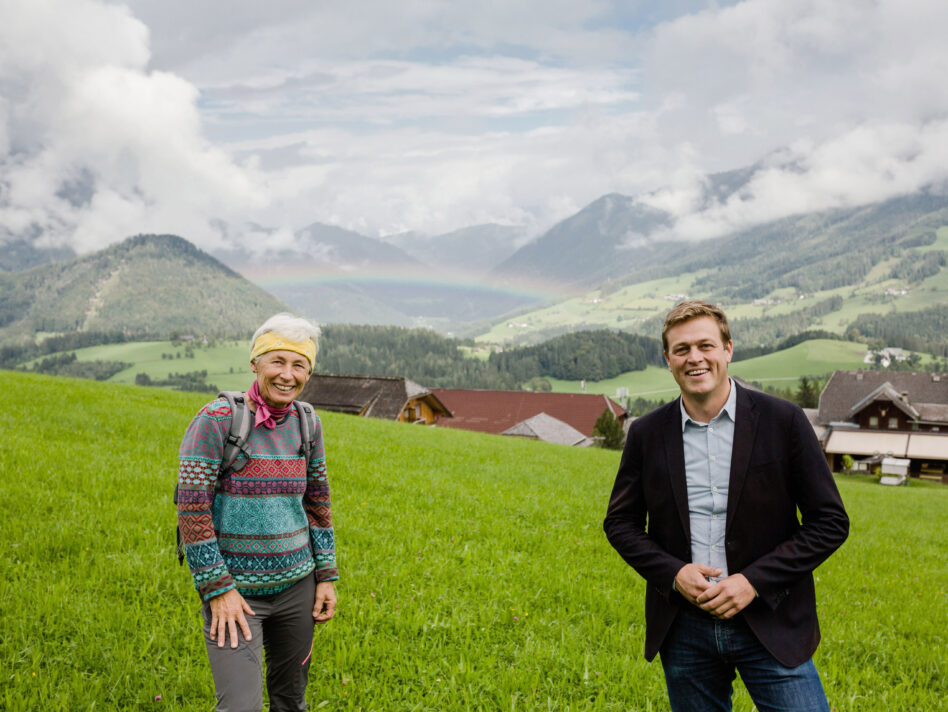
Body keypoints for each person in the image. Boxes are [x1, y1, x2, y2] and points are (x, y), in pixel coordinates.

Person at [603, 300, 849, 712]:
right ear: (668, 360)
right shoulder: (647, 434)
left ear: (728, 349)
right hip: (684, 628)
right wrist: (674, 573)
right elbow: (620, 523)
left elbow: (829, 522)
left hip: (770, 621)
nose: (694, 358)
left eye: (705, 345)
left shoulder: (783, 421)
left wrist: (752, 582)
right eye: (681, 350)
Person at [177, 313, 338, 712]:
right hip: (236, 594)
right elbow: (192, 509)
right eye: (277, 362)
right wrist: (218, 589)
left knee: (290, 702)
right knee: (240, 707)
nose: (288, 374)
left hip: (298, 588)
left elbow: (318, 503)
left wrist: (326, 576)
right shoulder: (216, 419)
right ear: (255, 364)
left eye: (299, 364)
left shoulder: (308, 422)